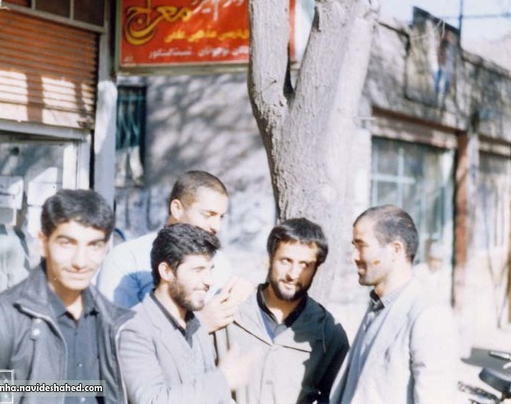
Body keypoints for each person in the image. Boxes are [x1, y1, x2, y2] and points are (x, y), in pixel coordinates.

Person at [0, 189, 130, 404]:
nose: (80, 261)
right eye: (67, 243)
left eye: (94, 246)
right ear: (42, 243)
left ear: (106, 249)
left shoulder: (115, 324)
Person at [331, 205, 457, 404]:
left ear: (395, 250)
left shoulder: (428, 314)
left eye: (361, 246)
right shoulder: (378, 304)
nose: (354, 256)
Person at [98, 170, 251, 332]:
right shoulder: (128, 258)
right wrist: (200, 325)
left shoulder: (220, 263)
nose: (216, 226)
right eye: (207, 215)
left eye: (221, 217)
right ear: (177, 209)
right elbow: (114, 332)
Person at [117, 223, 254, 404]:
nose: (209, 281)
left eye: (210, 269)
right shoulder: (135, 328)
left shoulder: (196, 322)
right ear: (166, 271)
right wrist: (223, 381)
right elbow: (152, 400)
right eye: (198, 270)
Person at [218, 218, 349, 404]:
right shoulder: (229, 311)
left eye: (304, 265)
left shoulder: (328, 333)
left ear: (316, 269)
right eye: (286, 261)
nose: (293, 274)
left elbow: (339, 397)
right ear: (270, 258)